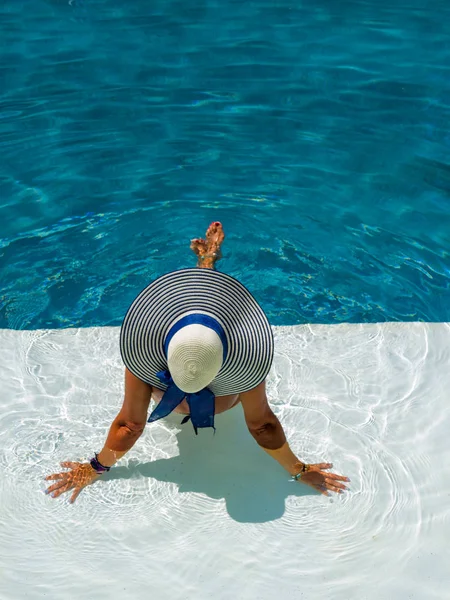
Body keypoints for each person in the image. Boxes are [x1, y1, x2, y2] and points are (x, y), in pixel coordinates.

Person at [45, 222, 349, 503]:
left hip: (170, 386)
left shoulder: (146, 356)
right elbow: (262, 425)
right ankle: (208, 264)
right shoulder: (244, 360)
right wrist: (298, 469)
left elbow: (129, 426)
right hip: (224, 394)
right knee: (209, 320)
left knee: (195, 331)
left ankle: (207, 264)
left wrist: (94, 468)